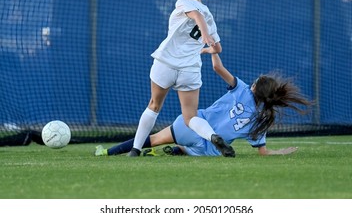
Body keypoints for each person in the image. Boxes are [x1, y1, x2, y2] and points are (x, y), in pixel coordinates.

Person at [95, 53, 312, 157]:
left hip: (192, 125)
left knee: (150, 139)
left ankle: (106, 152)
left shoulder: (242, 89)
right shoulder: (261, 121)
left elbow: (217, 67)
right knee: (207, 149)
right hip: (210, 151)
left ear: (255, 87)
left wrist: (213, 50)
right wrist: (280, 152)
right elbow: (263, 152)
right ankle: (181, 151)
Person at [125, 0, 235, 157]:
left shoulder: (184, 3)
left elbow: (196, 15)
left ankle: (135, 150)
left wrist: (204, 34)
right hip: (189, 69)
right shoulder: (209, 15)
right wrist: (207, 46)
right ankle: (213, 136)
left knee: (154, 105)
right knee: (190, 117)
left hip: (166, 63)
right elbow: (218, 48)